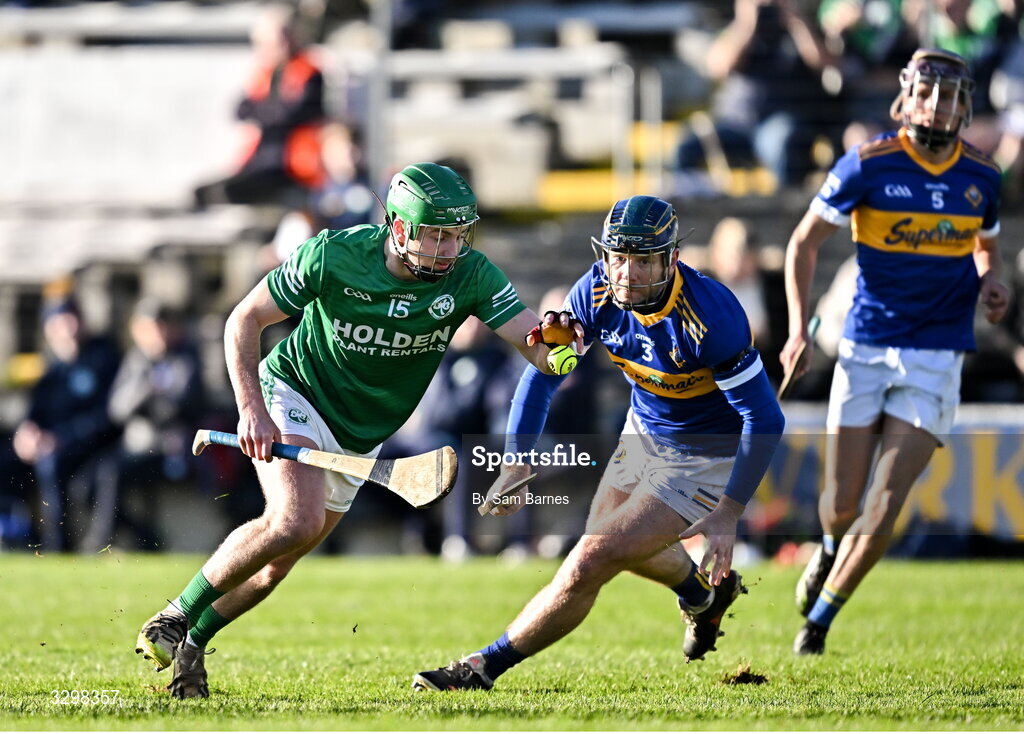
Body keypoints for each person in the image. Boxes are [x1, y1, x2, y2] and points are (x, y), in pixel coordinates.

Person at [134, 162, 583, 699]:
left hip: (359, 437)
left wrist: (562, 347)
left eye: (455, 236)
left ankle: (192, 644)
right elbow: (244, 319)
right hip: (295, 395)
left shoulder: (472, 274)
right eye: (434, 235)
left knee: (276, 567)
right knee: (292, 521)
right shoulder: (336, 254)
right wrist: (251, 408)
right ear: (398, 227)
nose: (445, 250)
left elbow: (538, 349)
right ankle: (173, 615)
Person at [412, 195, 785, 691]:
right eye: (618, 257)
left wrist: (730, 511)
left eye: (644, 259)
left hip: (704, 453)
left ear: (672, 259)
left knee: (591, 557)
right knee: (612, 545)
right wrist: (516, 461)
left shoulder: (712, 316)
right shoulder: (593, 292)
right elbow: (544, 374)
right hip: (643, 432)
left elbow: (765, 416)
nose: (627, 273)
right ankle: (703, 597)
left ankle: (481, 668)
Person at [781, 49, 1009, 655]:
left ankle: (820, 620)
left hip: (937, 353)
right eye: (928, 92)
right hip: (865, 345)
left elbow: (984, 248)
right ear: (906, 98)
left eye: (952, 95)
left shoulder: (983, 177)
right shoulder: (868, 164)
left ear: (967, 106)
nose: (939, 105)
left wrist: (991, 278)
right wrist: (799, 329)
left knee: (886, 501)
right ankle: (828, 550)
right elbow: (803, 243)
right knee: (840, 505)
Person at [91, 300, 207, 552]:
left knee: (112, 474)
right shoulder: (137, 360)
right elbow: (117, 409)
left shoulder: (185, 357)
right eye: (151, 328)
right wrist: (148, 390)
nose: (158, 334)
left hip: (169, 450)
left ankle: (98, 543)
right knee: (85, 485)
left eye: (162, 327)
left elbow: (184, 405)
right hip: (135, 447)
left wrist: (152, 404)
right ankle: (144, 537)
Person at [12, 297, 121, 552]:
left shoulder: (104, 358)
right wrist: (25, 433)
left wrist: (63, 437)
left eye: (72, 319)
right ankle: (17, 535)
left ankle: (57, 547)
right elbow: (35, 413)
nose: (68, 327)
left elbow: (109, 417)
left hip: (96, 447)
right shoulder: (52, 369)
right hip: (55, 445)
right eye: (59, 322)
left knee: (52, 462)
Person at [193, 4, 326, 209]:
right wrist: (268, 110)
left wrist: (263, 110)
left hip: (291, 160)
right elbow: (241, 109)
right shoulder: (264, 73)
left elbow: (293, 112)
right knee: (204, 191)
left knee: (231, 190)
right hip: (261, 156)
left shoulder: (310, 71)